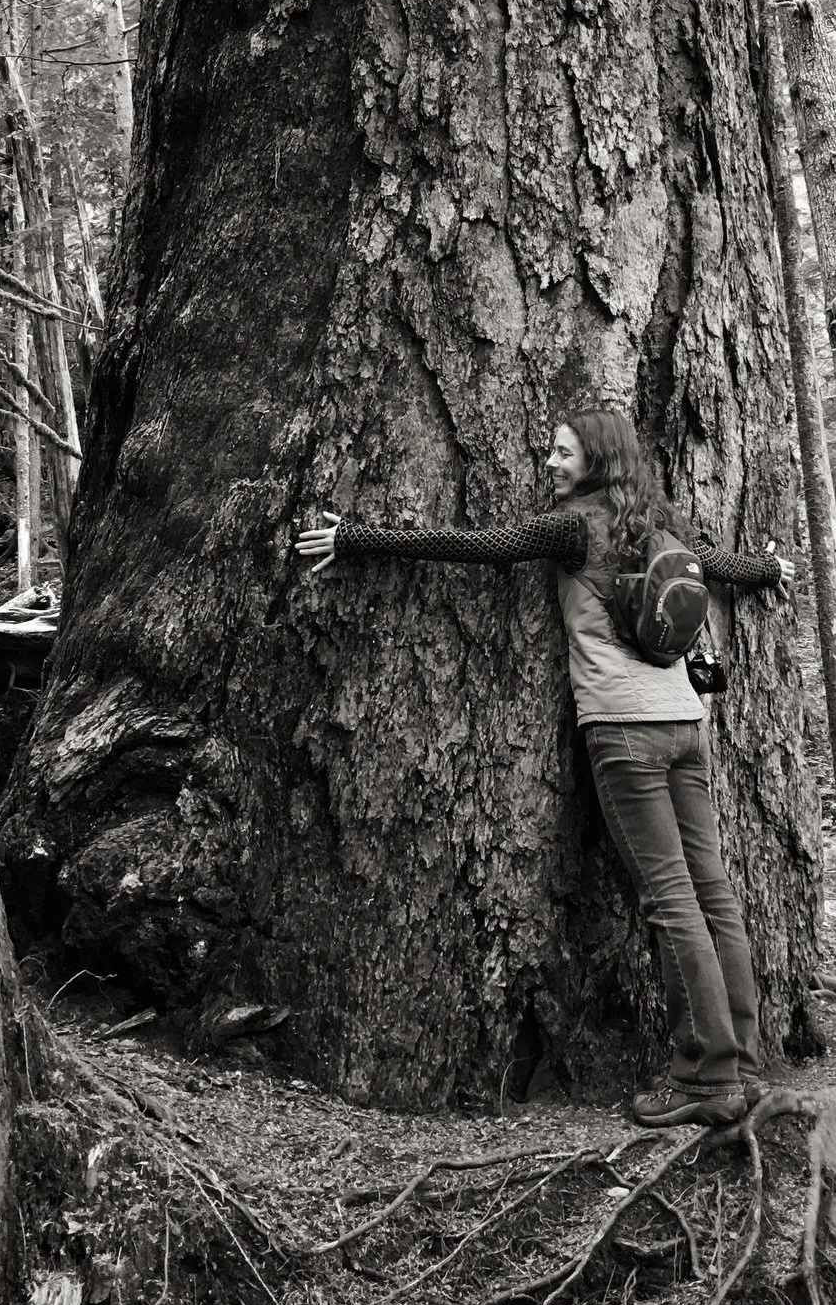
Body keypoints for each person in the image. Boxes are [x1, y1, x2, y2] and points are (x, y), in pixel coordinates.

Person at [296, 408, 793, 1127]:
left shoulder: (571, 528)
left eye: (563, 453)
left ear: (594, 459)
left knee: (672, 902)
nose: (550, 463)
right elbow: (721, 568)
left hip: (623, 731)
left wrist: (355, 538)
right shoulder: (661, 524)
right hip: (686, 724)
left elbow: (470, 545)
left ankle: (707, 1081)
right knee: (713, 894)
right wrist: (771, 567)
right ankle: (742, 1067)